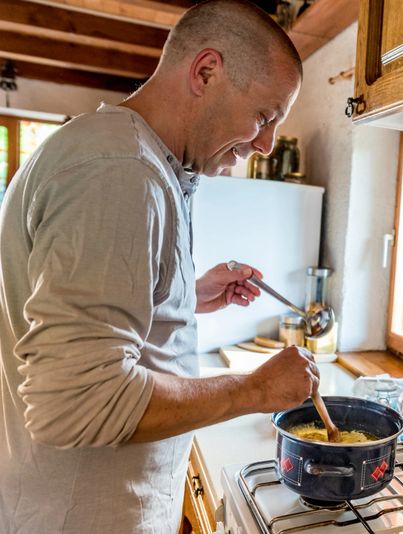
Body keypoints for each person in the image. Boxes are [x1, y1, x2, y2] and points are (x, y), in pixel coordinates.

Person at [0, 1, 317, 532]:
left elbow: (73, 310)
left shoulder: (132, 159)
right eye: (264, 117)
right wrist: (253, 390)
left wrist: (183, 295)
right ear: (206, 72)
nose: (264, 145)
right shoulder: (118, 172)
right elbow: (77, 400)